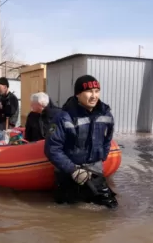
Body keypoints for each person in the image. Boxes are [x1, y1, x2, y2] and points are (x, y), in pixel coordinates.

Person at [44, 75, 118, 209]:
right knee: (67, 212)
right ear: (78, 94)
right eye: (89, 91)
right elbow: (52, 149)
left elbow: (108, 139)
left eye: (97, 91)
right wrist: (73, 170)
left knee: (111, 208)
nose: (94, 96)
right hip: (69, 173)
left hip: (94, 170)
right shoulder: (63, 117)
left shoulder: (106, 114)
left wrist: (102, 157)